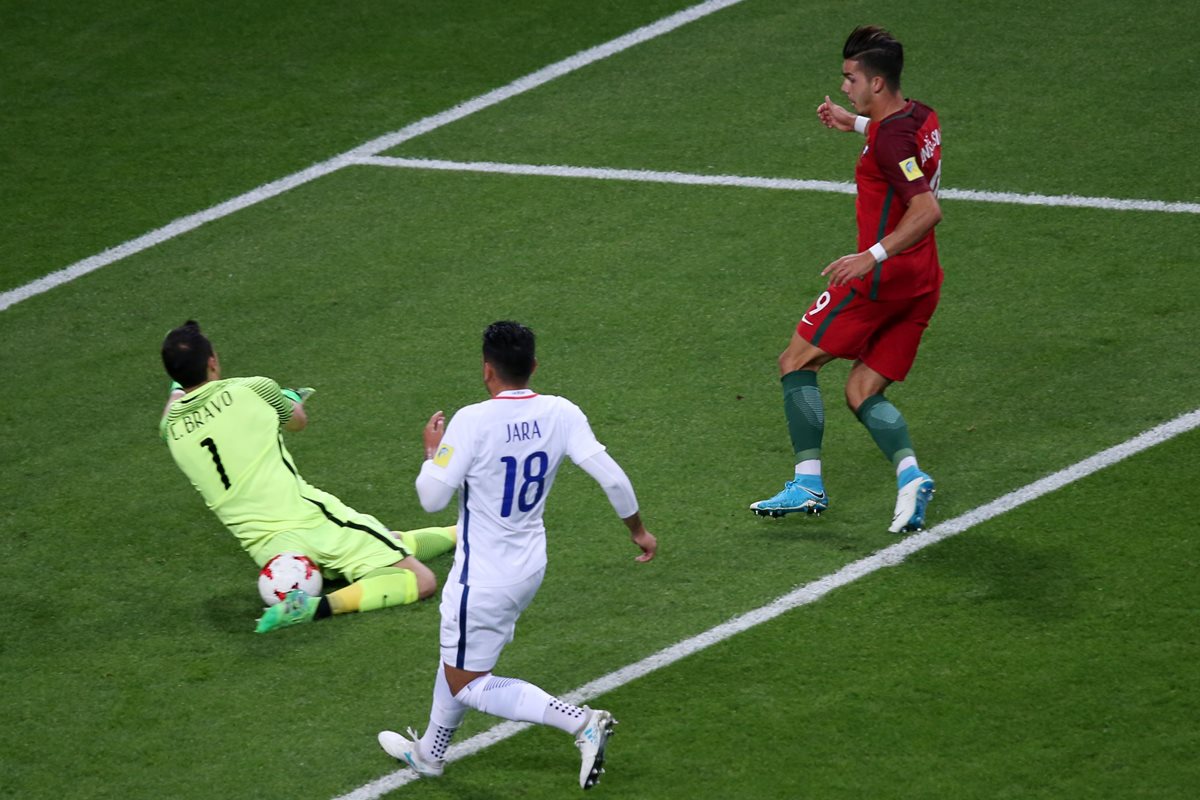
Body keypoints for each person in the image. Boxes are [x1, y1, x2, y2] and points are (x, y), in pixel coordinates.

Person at [377, 321, 657, 790]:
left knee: (469, 680)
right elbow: (613, 479)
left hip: (481, 579)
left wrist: (432, 454)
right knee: (460, 658)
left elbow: (431, 500)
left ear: (488, 370)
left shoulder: (471, 420)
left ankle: (579, 722)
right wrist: (639, 531)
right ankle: (430, 752)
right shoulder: (561, 412)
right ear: (533, 366)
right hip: (529, 568)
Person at [750, 25, 943, 533]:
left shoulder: (891, 141)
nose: (844, 87)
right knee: (861, 390)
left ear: (877, 83)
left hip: (878, 281)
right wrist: (853, 123)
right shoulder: (921, 117)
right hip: (923, 281)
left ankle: (808, 484)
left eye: (851, 79)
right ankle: (910, 475)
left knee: (795, 360)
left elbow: (926, 209)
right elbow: (896, 146)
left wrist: (870, 256)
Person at [159, 320, 456, 633]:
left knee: (387, 539)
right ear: (213, 362)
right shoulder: (251, 389)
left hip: (272, 552)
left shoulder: (171, 428)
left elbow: (176, 400)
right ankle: (312, 607)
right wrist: (290, 398)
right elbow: (297, 422)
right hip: (313, 521)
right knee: (420, 580)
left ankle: (466, 530)